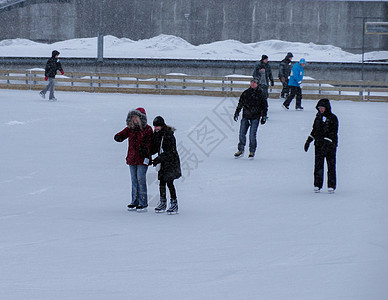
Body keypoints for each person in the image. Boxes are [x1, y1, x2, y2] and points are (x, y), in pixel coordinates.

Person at [114, 107, 153, 212]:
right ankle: (134, 201)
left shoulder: (148, 129)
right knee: (134, 180)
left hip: (142, 159)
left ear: (142, 118)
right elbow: (122, 134)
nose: (135, 119)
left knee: (141, 179)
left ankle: (143, 202)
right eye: (133, 117)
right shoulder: (130, 128)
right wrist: (118, 137)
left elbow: (150, 143)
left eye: (137, 117)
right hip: (132, 158)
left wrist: (145, 150)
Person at [304, 98, 339, 193]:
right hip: (319, 145)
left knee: (331, 165)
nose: (321, 109)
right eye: (319, 108)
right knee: (318, 165)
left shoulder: (333, 118)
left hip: (330, 146)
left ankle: (331, 185)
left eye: (322, 108)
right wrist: (309, 141)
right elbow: (314, 130)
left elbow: (333, 132)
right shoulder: (318, 117)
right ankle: (317, 184)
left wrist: (328, 141)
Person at [151, 116, 182, 214]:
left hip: (171, 162)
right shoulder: (157, 134)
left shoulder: (168, 135)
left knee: (169, 182)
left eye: (158, 126)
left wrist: (158, 159)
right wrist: (147, 153)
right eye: (155, 126)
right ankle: (163, 201)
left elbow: (170, 151)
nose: (156, 128)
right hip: (163, 162)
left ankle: (174, 203)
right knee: (162, 182)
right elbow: (155, 147)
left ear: (162, 125)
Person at [233, 78, 268, 159]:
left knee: (252, 135)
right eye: (251, 82)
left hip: (255, 117)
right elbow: (240, 103)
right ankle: (240, 150)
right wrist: (237, 112)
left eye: (254, 82)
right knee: (242, 134)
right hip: (246, 116)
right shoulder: (246, 93)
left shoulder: (261, 93)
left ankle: (252, 151)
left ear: (257, 84)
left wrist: (264, 116)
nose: (252, 84)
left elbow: (264, 106)